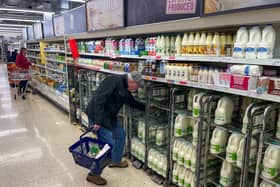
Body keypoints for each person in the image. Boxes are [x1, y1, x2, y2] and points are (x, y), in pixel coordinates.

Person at [85, 71, 145, 185]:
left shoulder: (126, 88)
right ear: (132, 81)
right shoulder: (113, 80)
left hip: (110, 117)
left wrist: (146, 108)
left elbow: (131, 102)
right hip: (99, 116)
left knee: (121, 134)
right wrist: (97, 121)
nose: (137, 89)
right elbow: (99, 99)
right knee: (108, 146)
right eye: (137, 86)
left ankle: (115, 160)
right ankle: (93, 174)